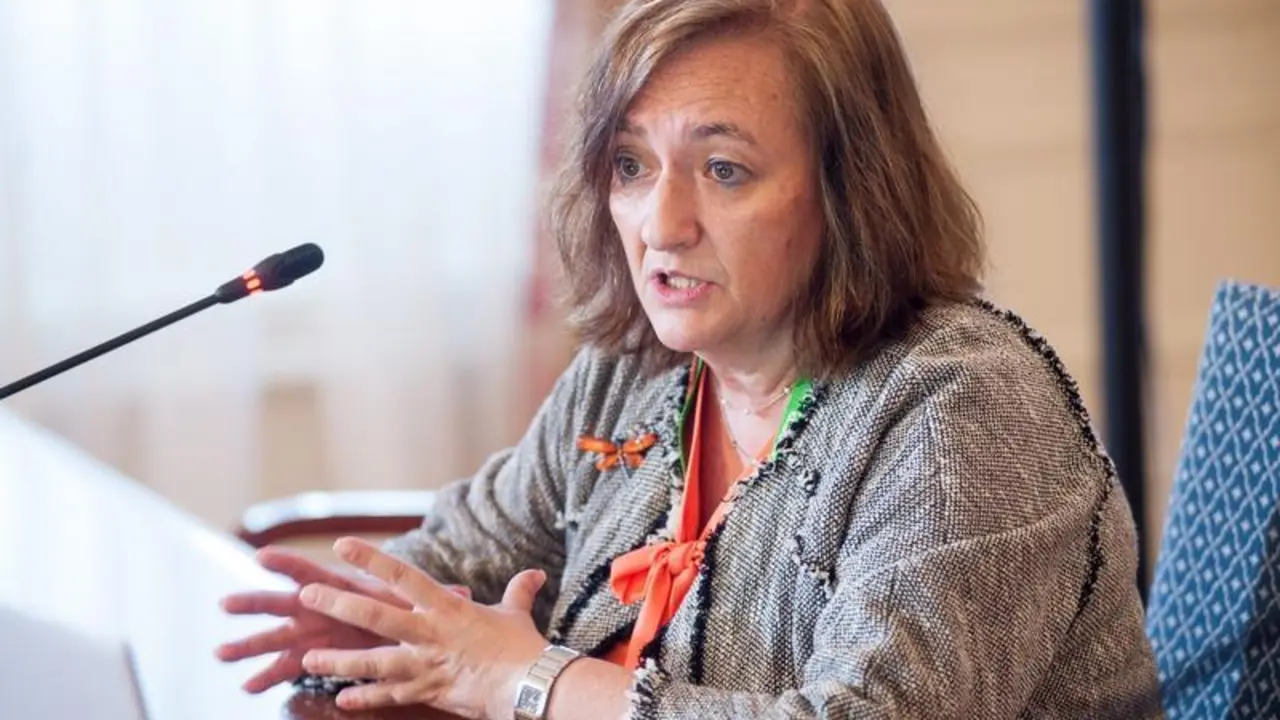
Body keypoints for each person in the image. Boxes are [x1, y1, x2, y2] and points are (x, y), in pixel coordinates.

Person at [216, 1, 1164, 718]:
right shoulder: (633, 371)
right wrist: (375, 622)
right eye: (632, 165)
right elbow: (469, 547)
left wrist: (527, 680)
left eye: (723, 170)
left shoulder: (965, 412)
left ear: (851, 190)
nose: (661, 226)